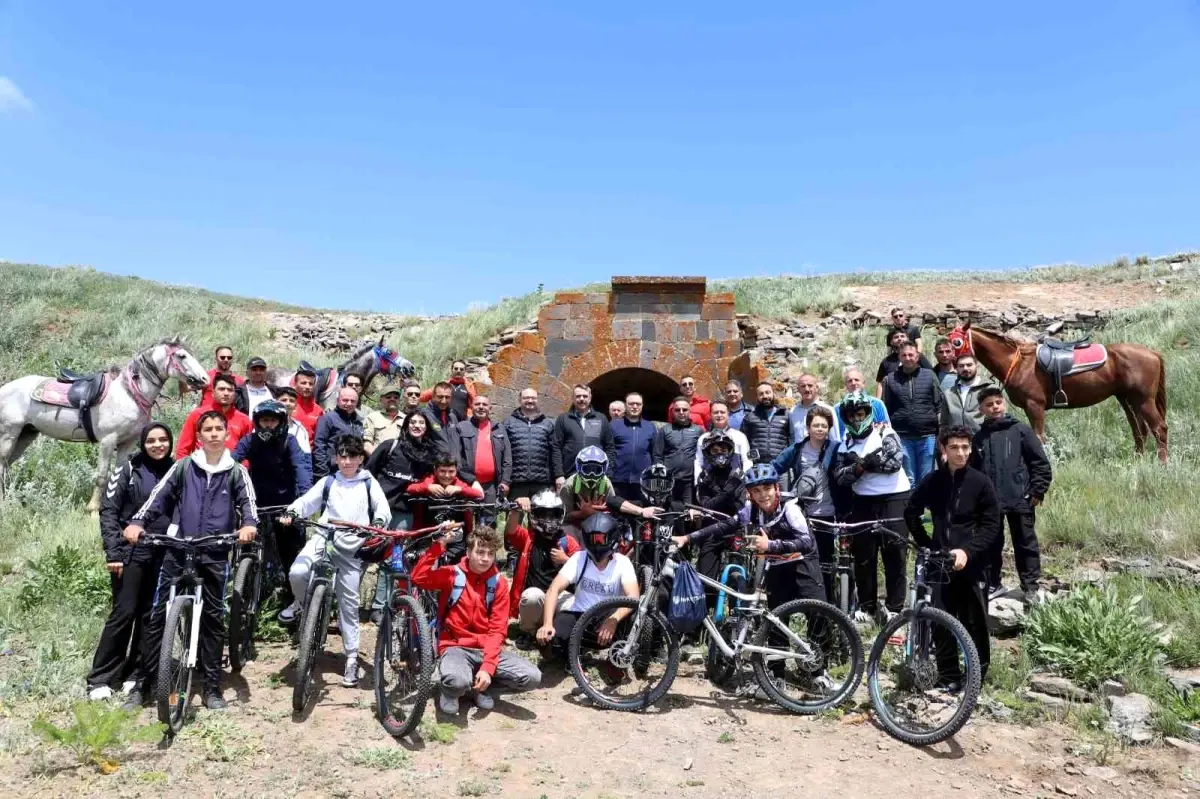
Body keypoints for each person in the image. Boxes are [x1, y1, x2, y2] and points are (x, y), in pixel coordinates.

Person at [124, 410, 258, 710]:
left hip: (214, 551)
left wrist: (249, 525)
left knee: (212, 618)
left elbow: (248, 505)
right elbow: (157, 497)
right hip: (179, 547)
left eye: (218, 429)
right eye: (207, 429)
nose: (213, 434)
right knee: (157, 618)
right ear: (199, 436)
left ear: (227, 434)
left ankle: (212, 687)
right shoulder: (184, 467)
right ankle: (143, 684)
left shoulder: (237, 472)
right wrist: (138, 522)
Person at [673, 464, 829, 688]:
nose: (762, 495)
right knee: (775, 622)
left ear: (776, 487)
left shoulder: (790, 508)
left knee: (818, 616)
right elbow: (723, 526)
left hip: (803, 566)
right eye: (756, 491)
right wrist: (688, 538)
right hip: (777, 569)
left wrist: (770, 544)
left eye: (767, 488)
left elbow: (807, 542)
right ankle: (777, 676)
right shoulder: (751, 510)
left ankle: (818, 673)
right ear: (750, 494)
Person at [280, 434, 389, 687]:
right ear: (336, 458)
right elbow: (307, 502)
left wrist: (379, 524)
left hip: (352, 545)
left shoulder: (368, 482)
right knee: (297, 572)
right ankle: (299, 603)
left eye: (352, 456)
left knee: (348, 605)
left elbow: (382, 509)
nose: (347, 461)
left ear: (361, 459)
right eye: (342, 456)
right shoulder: (329, 481)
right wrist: (292, 512)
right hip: (323, 536)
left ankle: (351, 658)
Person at [904, 426, 1002, 681]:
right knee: (939, 618)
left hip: (971, 563)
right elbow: (910, 511)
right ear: (944, 450)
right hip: (939, 562)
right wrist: (927, 544)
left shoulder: (981, 482)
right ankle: (948, 675)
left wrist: (968, 551)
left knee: (975, 621)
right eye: (954, 447)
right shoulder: (933, 480)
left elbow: (992, 525)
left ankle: (976, 677)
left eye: (965, 447)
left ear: (971, 449)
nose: (960, 453)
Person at [413, 523, 541, 714]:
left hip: (485, 648)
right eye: (480, 552)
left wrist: (488, 667)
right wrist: (439, 545)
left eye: (490, 554)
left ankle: (480, 687)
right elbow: (418, 578)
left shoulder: (498, 583)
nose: (485, 559)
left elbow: (497, 630)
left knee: (532, 677)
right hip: (455, 647)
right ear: (468, 552)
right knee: (457, 681)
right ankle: (450, 691)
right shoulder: (452, 574)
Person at [87, 422, 174, 704]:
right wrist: (113, 553)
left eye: (163, 440)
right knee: (123, 613)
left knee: (150, 616)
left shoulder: (176, 471)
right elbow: (109, 512)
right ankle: (101, 678)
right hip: (130, 553)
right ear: (143, 443)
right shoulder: (127, 469)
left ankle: (136, 673)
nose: (158, 445)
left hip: (162, 554)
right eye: (151, 440)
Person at [834, 391, 912, 624]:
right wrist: (862, 467)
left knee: (895, 552)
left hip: (895, 497)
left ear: (868, 413)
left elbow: (894, 463)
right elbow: (840, 477)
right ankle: (867, 607)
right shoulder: (844, 442)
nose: (857, 419)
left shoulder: (885, 432)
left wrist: (860, 467)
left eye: (861, 413)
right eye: (852, 415)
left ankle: (895, 607)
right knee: (864, 556)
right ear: (846, 417)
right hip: (863, 501)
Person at [971, 387, 1052, 601]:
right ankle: (993, 585)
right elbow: (973, 473)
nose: (995, 407)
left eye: (998, 402)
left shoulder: (1021, 430)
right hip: (990, 503)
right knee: (990, 544)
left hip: (1021, 498)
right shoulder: (978, 437)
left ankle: (1030, 588)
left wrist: (1038, 491)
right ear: (981, 409)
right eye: (989, 404)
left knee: (1025, 543)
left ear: (1004, 404)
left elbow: (1040, 464)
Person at [231, 400, 314, 607]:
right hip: (255, 504)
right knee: (246, 548)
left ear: (281, 422)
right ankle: (246, 594)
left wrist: (303, 505)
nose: (268, 425)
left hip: (285, 506)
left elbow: (301, 472)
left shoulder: (290, 441)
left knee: (290, 554)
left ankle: (294, 602)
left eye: (273, 421)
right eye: (264, 420)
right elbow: (232, 463)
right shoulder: (249, 440)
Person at [365, 410, 438, 620]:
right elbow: (369, 471)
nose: (416, 426)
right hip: (378, 509)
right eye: (412, 422)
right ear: (405, 425)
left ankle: (381, 607)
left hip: (404, 513)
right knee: (362, 554)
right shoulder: (390, 445)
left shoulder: (428, 456)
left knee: (393, 560)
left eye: (421, 423)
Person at [772, 407, 845, 601]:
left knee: (825, 563)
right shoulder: (797, 449)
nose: (820, 429)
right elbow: (775, 467)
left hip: (828, 513)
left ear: (829, 428)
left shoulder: (836, 448)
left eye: (824, 425)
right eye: (816, 425)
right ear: (808, 427)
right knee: (803, 561)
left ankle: (827, 606)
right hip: (803, 515)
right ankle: (804, 603)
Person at [536, 512, 640, 648]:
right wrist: (547, 623)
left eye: (601, 539)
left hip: (609, 617)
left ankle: (616, 655)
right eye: (593, 539)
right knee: (552, 639)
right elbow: (554, 589)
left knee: (632, 618)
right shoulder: (579, 558)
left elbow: (633, 597)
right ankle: (572, 653)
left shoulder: (623, 562)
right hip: (580, 616)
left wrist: (614, 619)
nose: (597, 543)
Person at [505, 490, 582, 649]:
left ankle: (559, 631)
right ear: (534, 514)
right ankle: (529, 632)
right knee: (532, 595)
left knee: (577, 602)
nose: (548, 519)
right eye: (543, 514)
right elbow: (511, 531)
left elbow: (584, 570)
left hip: (560, 598)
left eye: (553, 514)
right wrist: (516, 509)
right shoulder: (528, 538)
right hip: (536, 601)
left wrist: (566, 560)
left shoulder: (568, 542)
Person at [691, 430, 748, 613]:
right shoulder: (704, 477)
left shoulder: (739, 474)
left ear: (730, 450)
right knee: (705, 577)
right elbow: (708, 506)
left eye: (723, 449)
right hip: (711, 530)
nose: (720, 454)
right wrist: (727, 491)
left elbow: (740, 506)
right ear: (708, 454)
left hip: (734, 529)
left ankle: (737, 616)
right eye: (714, 451)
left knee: (739, 577)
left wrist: (728, 491)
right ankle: (704, 619)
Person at [559, 446, 661, 544]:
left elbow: (614, 508)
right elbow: (563, 516)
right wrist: (583, 513)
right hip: (574, 524)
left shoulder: (606, 483)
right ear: (579, 467)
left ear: (604, 469)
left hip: (598, 523)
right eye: (587, 469)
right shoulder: (569, 485)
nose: (592, 474)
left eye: (596, 470)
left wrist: (591, 512)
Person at [882, 342, 944, 487]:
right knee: (908, 478)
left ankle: (924, 507)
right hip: (902, 436)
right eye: (904, 355)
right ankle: (909, 508)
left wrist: (941, 432)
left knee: (926, 476)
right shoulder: (890, 379)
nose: (908, 358)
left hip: (927, 435)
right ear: (899, 357)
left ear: (917, 356)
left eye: (911, 355)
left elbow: (939, 405)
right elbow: (886, 408)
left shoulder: (929, 375)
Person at [407, 457, 486, 562]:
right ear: (435, 470)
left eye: (451, 471)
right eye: (442, 471)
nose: (447, 476)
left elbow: (479, 494)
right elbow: (410, 488)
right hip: (429, 536)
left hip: (457, 536)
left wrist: (460, 490)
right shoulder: (430, 480)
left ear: (456, 471)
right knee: (428, 565)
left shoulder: (458, 483)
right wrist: (427, 488)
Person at [449, 395, 511, 508]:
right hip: (468, 484)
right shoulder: (461, 427)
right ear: (471, 407)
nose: (481, 407)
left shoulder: (499, 429)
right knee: (467, 520)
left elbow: (507, 458)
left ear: (490, 408)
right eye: (477, 404)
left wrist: (505, 481)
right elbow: (456, 459)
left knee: (489, 522)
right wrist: (471, 480)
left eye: (484, 404)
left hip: (491, 486)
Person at [551, 384, 616, 490]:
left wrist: (607, 473)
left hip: (596, 475)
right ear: (573, 398)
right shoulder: (563, 419)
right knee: (569, 506)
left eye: (585, 396)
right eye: (578, 396)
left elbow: (610, 447)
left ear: (590, 398)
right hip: (570, 475)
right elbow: (556, 447)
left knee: (595, 506)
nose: (581, 399)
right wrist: (559, 475)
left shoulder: (601, 418)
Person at [175, 373, 253, 458]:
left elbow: (248, 452)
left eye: (230, 390)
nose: (226, 393)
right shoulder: (197, 415)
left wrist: (242, 468)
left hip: (232, 468)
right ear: (213, 392)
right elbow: (182, 449)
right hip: (200, 468)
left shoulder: (244, 420)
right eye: (221, 389)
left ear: (235, 394)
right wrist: (185, 469)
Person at [503, 388, 557, 500]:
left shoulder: (548, 424)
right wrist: (505, 480)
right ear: (520, 400)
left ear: (538, 400)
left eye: (533, 398)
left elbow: (554, 452)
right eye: (526, 398)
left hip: (542, 483)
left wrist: (557, 477)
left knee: (541, 516)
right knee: (515, 515)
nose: (530, 400)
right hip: (517, 483)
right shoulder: (508, 423)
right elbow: (503, 452)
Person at [652, 396, 704, 510]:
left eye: (684, 410)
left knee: (689, 512)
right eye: (677, 410)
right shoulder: (665, 430)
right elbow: (657, 455)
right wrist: (660, 476)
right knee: (669, 511)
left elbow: (703, 456)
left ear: (689, 411)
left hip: (689, 482)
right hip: (669, 481)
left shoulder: (698, 431)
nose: (681, 412)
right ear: (673, 412)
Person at [610, 392, 656, 503]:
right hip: (618, 479)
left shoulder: (650, 427)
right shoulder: (613, 425)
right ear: (625, 405)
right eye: (631, 404)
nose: (635, 407)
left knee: (641, 515)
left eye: (638, 404)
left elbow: (655, 453)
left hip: (643, 481)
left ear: (642, 406)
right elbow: (609, 451)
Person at [314, 387, 366, 478]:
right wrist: (322, 473)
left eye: (352, 401)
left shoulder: (359, 422)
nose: (349, 403)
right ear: (338, 401)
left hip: (353, 472)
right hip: (332, 471)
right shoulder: (327, 418)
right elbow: (319, 446)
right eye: (345, 400)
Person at [694, 400, 750, 481]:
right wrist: (698, 483)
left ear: (728, 414)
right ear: (710, 415)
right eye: (716, 412)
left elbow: (747, 461)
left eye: (722, 412)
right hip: (709, 486)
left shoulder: (740, 437)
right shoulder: (703, 438)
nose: (719, 415)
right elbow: (698, 462)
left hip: (734, 486)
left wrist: (746, 483)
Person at [741, 381, 792, 467]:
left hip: (781, 465)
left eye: (767, 392)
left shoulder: (786, 414)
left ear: (773, 394)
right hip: (757, 466)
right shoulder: (750, 417)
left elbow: (792, 439)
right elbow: (744, 442)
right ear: (757, 397)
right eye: (761, 394)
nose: (765, 396)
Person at [941, 354, 990, 434]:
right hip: (957, 442)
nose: (965, 368)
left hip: (982, 441)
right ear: (956, 369)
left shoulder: (989, 389)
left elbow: (998, 418)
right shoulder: (949, 393)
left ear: (977, 366)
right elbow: (944, 423)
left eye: (969, 365)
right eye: (961, 366)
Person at [875, 331, 933, 397]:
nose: (900, 339)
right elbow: (880, 383)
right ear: (891, 342)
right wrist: (878, 402)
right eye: (896, 337)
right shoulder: (887, 361)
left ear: (908, 339)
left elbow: (931, 375)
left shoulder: (918, 357)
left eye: (902, 336)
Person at [787, 373, 840, 443]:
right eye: (803, 386)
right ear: (798, 389)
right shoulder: (793, 412)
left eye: (810, 385)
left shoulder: (828, 410)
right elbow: (792, 438)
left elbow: (835, 439)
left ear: (817, 388)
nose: (807, 389)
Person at [421, 381, 465, 457]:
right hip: (435, 465)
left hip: (453, 466)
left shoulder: (453, 417)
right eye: (440, 397)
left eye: (447, 397)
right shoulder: (424, 415)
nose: (444, 401)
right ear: (433, 396)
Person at [363, 380, 405, 455]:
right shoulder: (372, 418)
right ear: (381, 399)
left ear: (399, 400)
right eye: (388, 397)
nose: (392, 399)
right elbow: (367, 445)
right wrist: (377, 459)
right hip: (378, 462)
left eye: (396, 397)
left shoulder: (406, 419)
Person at [273, 386, 312, 454]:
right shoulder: (264, 423)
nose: (288, 404)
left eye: (292, 401)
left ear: (295, 405)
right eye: (284, 400)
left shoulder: (300, 429)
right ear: (275, 402)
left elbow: (306, 455)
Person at [292, 367, 324, 441]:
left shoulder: (318, 410)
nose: (307, 387)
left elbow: (320, 437)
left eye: (311, 384)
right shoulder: (288, 406)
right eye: (303, 383)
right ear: (295, 384)